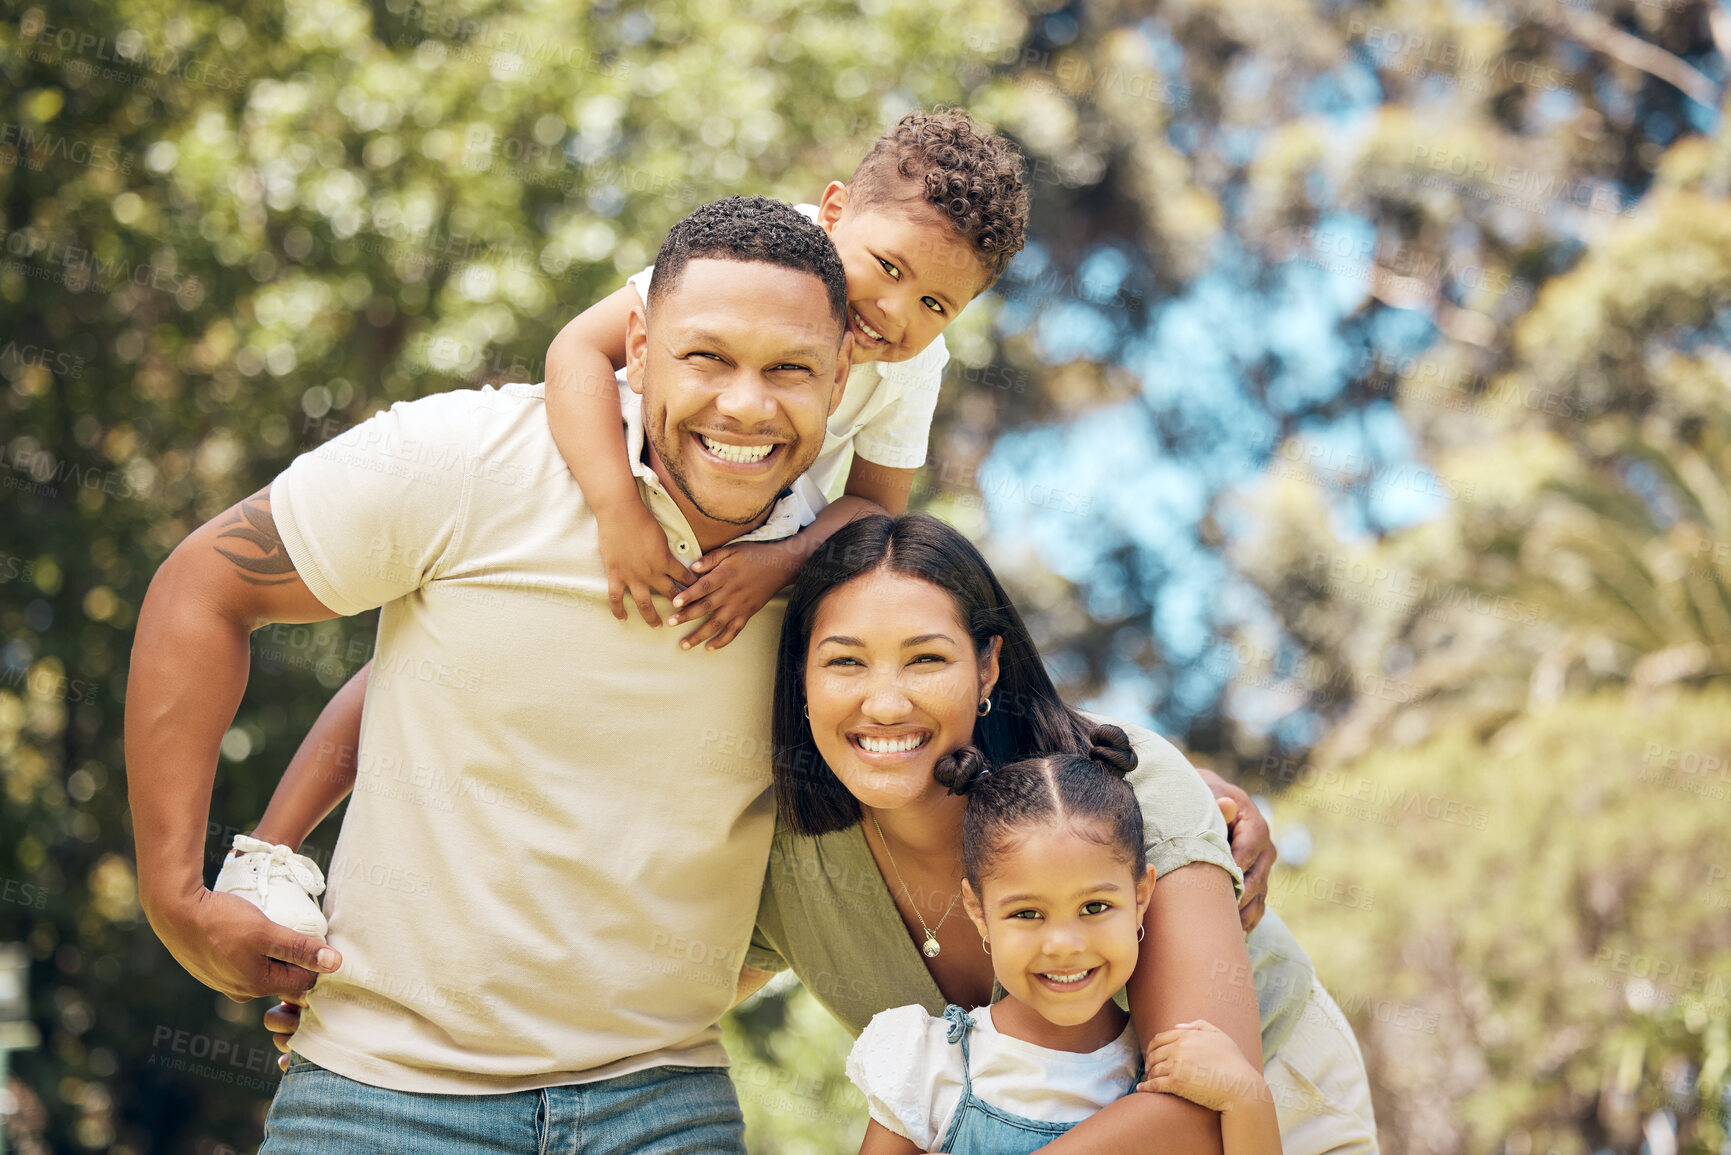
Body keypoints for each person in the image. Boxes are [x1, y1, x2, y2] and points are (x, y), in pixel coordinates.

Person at [267, 515, 1380, 1151]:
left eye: (926, 660)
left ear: (989, 666)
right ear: (793, 679)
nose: (883, 704)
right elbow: (603, 959)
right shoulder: (782, 857)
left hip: (1268, 1119)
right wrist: (371, 983)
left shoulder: (1124, 792)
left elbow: (1195, 1115)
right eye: (843, 662)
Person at [125, 196, 855, 1154]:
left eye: (790, 368)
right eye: (707, 357)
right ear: (637, 346)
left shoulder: (844, 587)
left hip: (661, 1103)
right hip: (377, 1101)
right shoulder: (471, 459)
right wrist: (174, 896)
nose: (747, 405)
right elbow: (202, 588)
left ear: (842, 376)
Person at [541, 108, 1028, 650]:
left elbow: (875, 503)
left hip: (753, 514)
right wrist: (618, 511)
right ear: (834, 212)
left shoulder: (914, 363)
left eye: (934, 304)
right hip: (636, 471)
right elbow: (579, 349)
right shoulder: (756, 258)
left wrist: (780, 562)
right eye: (889, 267)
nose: (895, 311)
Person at [846, 731, 1280, 1154]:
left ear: (1141, 897)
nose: (1064, 944)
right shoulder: (929, 1067)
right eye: (1027, 913)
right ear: (979, 912)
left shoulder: (1176, 1068)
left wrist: (1246, 1098)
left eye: (1094, 908)